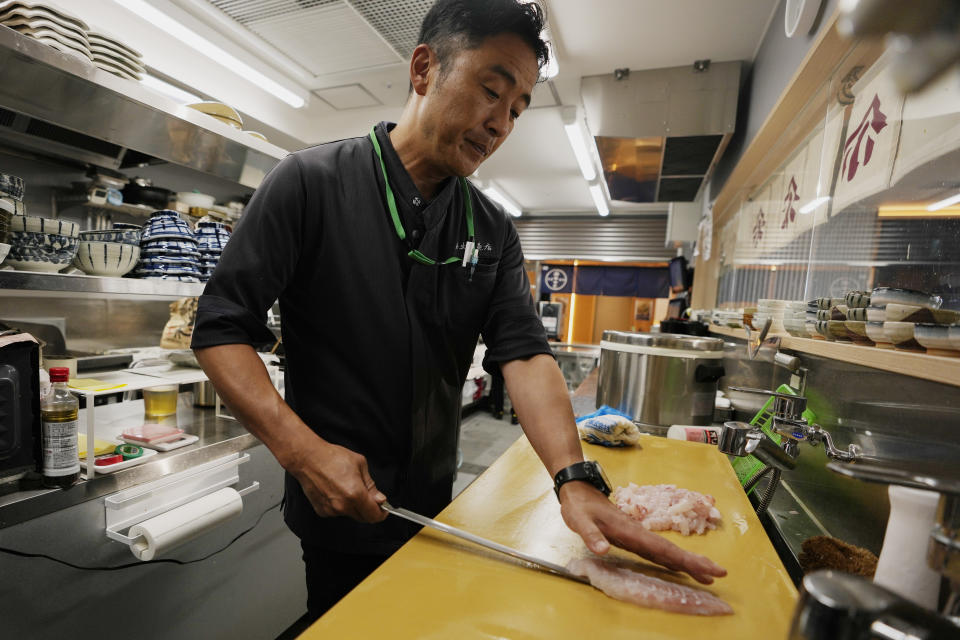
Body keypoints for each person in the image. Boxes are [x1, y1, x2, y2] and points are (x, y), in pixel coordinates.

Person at [191, 0, 726, 629]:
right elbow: (221, 328)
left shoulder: (490, 229)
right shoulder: (310, 183)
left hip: (434, 505)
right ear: (424, 69)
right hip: (335, 504)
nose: (499, 122)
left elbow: (524, 354)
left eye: (517, 109)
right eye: (490, 90)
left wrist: (574, 477)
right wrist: (303, 453)